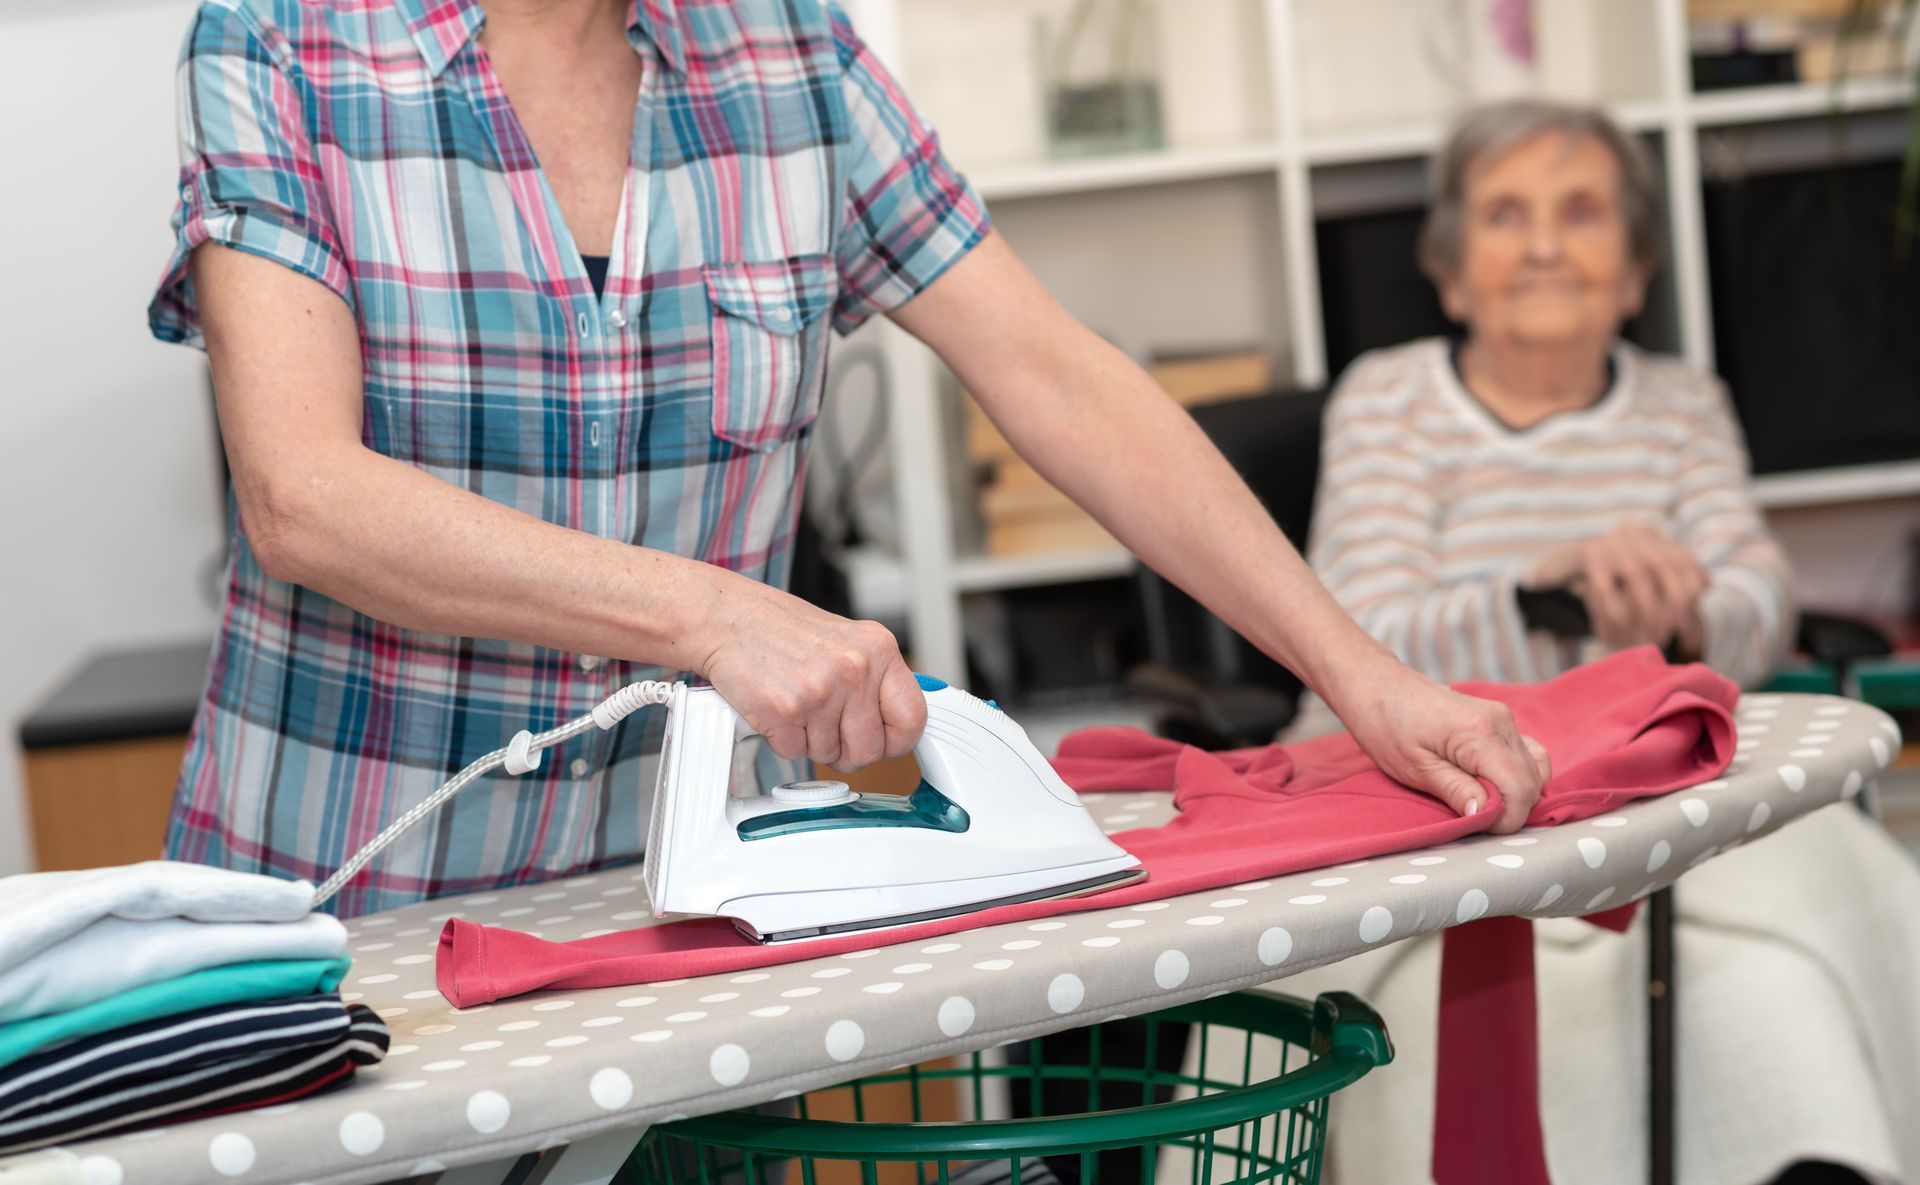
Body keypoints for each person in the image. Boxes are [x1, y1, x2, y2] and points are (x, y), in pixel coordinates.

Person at [148, 0, 1550, 919]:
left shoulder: (791, 57)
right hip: (331, 905)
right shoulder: (284, 46)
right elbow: (303, 499)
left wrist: (1353, 671)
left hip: (664, 911)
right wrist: (713, 613)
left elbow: (1057, 377)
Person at [1276, 99, 1920, 1185]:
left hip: (1653, 798)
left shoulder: (1681, 406)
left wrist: (1677, 624)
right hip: (1435, 805)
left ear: (1632, 274)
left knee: (1788, 973)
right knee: (1511, 1010)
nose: (1539, 245)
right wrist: (1542, 592)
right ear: (1451, 274)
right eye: (1504, 216)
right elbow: (1360, 636)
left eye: (1579, 213)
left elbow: (1757, 596)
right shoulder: (1389, 402)